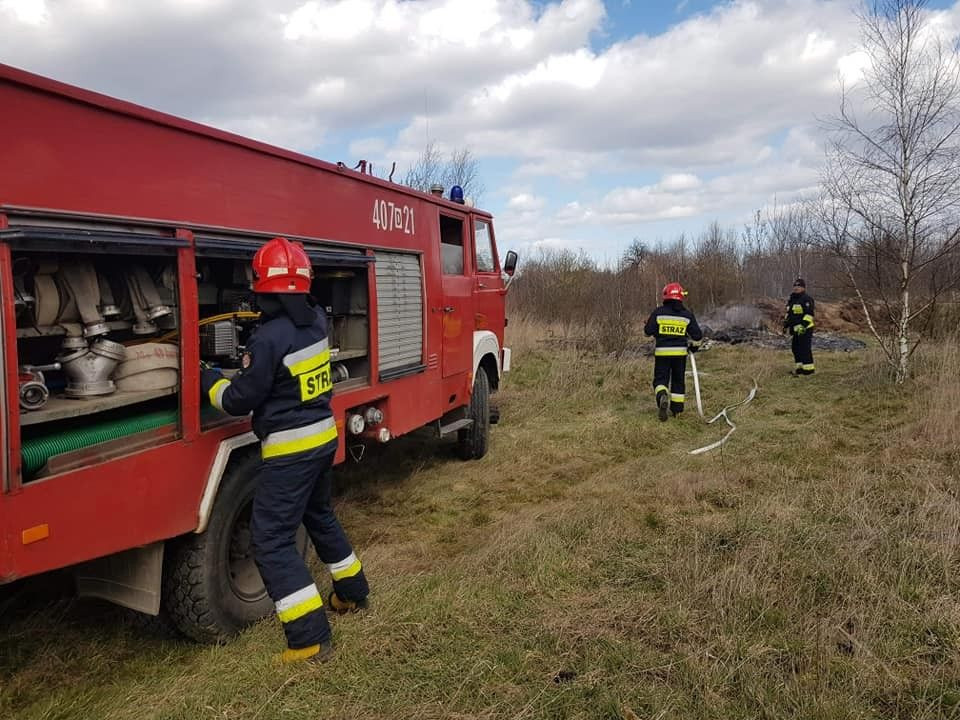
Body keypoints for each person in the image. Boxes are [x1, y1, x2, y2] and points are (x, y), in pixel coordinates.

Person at [201, 237, 369, 665]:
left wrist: (208, 382)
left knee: (272, 540)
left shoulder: (267, 339)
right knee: (319, 516)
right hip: (321, 439)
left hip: (291, 450)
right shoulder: (314, 321)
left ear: (262, 286)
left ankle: (309, 640)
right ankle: (352, 593)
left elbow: (239, 402)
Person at [644, 283, 703, 421]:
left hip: (662, 355)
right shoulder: (687, 315)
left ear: (666, 296)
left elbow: (647, 332)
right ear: (680, 297)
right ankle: (677, 411)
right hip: (680, 356)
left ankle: (662, 395)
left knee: (660, 380)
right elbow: (697, 336)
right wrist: (694, 347)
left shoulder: (658, 312)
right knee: (678, 381)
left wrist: (652, 327)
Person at [783, 277, 815, 375]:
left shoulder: (807, 299)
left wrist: (803, 326)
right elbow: (789, 313)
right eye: (795, 286)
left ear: (803, 288)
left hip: (805, 329)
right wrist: (785, 324)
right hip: (795, 329)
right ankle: (800, 368)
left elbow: (809, 314)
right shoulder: (792, 299)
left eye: (799, 286)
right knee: (795, 348)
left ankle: (809, 369)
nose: (796, 288)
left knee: (804, 348)